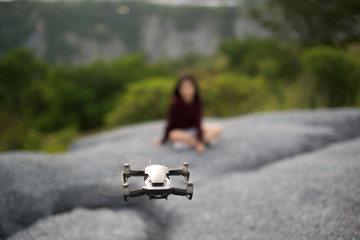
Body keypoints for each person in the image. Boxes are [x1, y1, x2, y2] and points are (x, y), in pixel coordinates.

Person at [153, 74, 222, 154]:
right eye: (184, 87)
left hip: (194, 129)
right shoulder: (176, 103)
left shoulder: (198, 102)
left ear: (194, 88)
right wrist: (163, 140)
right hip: (181, 131)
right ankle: (202, 141)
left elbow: (198, 122)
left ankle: (191, 143)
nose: (187, 89)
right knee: (172, 135)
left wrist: (199, 140)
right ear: (179, 90)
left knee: (218, 129)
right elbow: (170, 123)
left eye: (189, 86)